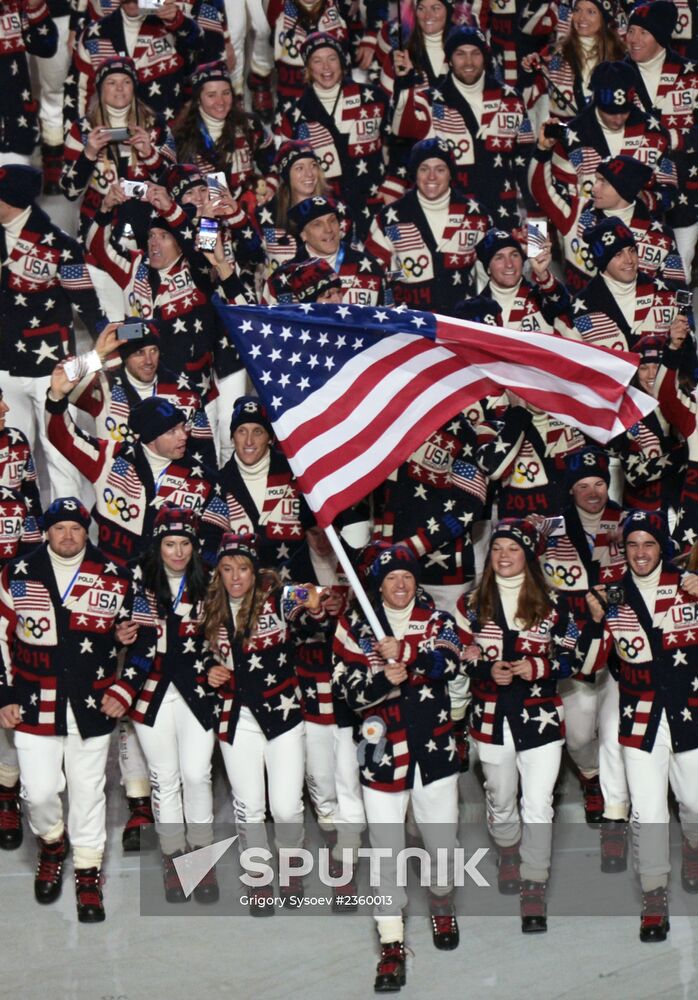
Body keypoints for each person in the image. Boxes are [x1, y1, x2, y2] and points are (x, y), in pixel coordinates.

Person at [0, 497, 156, 922]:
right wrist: (5, 695)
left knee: (89, 794)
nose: (67, 536)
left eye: (75, 528)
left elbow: (146, 639)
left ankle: (88, 877)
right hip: (34, 702)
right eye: (58, 528)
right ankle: (52, 842)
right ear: (47, 532)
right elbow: (0, 637)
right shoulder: (17, 573)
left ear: (87, 531)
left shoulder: (118, 575)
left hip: (94, 704)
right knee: (39, 792)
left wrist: (125, 689)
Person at [456, 518, 604, 932]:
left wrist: (537, 666)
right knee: (501, 798)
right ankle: (507, 848)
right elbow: (456, 658)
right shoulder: (469, 604)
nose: (504, 555)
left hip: (539, 717)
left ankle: (533, 884)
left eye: (514, 549)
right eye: (498, 548)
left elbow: (576, 658)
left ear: (528, 556)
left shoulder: (553, 604)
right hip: (491, 718)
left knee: (538, 805)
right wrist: (488, 671)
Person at [333, 543, 464, 992]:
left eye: (407, 576)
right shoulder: (355, 628)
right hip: (382, 756)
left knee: (441, 843)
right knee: (385, 852)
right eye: (391, 577)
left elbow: (448, 662)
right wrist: (379, 679)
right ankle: (391, 941)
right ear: (380, 584)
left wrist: (407, 654)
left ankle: (441, 901)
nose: (401, 584)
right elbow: (346, 692)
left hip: (433, 753)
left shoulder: (437, 621)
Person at [586, 510, 698, 942]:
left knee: (692, 803)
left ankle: (692, 845)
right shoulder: (612, 597)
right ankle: (654, 896)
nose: (640, 553)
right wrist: (594, 623)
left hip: (689, 715)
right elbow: (585, 666)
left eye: (648, 543)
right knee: (647, 811)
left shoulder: (687, 587)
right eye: (631, 545)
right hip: (640, 720)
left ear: (661, 547)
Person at [203, 531, 326, 913]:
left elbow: (308, 606)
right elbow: (190, 653)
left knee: (287, 807)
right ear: (218, 573)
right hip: (236, 718)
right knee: (249, 806)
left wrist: (315, 603)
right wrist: (208, 669)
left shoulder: (276, 599)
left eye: (243, 568)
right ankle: (257, 876)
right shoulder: (207, 609)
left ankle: (291, 868)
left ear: (256, 571)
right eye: (227, 569)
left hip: (283, 714)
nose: (236, 576)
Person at [538, 448, 630, 868]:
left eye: (599, 484)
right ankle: (589, 777)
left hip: (624, 650)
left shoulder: (629, 524)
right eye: (584, 486)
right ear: (570, 490)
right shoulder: (549, 529)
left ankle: (613, 810)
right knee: (577, 736)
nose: (593, 492)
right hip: (575, 648)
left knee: (613, 738)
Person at [123, 506, 217, 903]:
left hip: (198, 692)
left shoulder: (211, 582)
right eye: (169, 544)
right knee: (164, 779)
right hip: (151, 691)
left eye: (184, 544)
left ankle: (201, 856)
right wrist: (118, 632)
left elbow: (227, 636)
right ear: (157, 546)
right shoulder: (135, 580)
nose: (177, 552)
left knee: (197, 775)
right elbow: (114, 622)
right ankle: (173, 855)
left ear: (194, 548)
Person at [0, 164, 105, 499]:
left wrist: (106, 349)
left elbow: (87, 304)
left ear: (11, 200)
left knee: (61, 457)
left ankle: (68, 527)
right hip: (3, 372)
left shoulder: (59, 246)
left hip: (54, 372)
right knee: (8, 460)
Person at [530, 144, 686, 291]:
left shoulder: (661, 236)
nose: (594, 188)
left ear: (624, 190)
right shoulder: (577, 210)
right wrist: (542, 149)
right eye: (596, 179)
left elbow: (678, 289)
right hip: (578, 315)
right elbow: (539, 190)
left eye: (603, 182)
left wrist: (683, 315)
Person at [425, 26, 535, 232]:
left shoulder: (511, 98)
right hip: (451, 221)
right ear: (449, 59)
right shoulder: (431, 103)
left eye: (475, 54)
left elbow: (530, 169)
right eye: (460, 54)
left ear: (485, 57)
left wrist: (538, 249)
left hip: (504, 217)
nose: (468, 62)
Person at [365, 137, 492, 311]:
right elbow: (374, 276)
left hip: (462, 323)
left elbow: (490, 273)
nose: (431, 176)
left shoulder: (476, 215)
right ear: (414, 173)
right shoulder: (390, 218)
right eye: (424, 169)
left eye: (440, 169)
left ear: (450, 173)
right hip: (409, 326)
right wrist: (404, 276)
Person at [60, 55, 176, 242]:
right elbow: (70, 192)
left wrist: (150, 155)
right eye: (112, 82)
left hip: (149, 227)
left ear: (134, 87)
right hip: (98, 225)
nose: (120, 88)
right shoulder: (82, 129)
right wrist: (88, 154)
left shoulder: (156, 125)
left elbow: (172, 186)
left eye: (126, 82)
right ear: (100, 89)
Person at [625, 0, 698, 279]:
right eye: (631, 30)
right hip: (634, 191)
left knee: (681, 271)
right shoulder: (616, 76)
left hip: (685, 190)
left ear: (662, 36)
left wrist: (668, 138)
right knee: (636, 271)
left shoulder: (691, 75)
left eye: (643, 32)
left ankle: (680, 321)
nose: (634, 39)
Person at [0, 386, 43, 851]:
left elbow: (30, 501)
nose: (6, 408)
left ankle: (8, 790)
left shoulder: (14, 442)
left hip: (12, 587)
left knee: (12, 682)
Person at [200, 396, 305, 569]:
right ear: (232, 437)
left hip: (294, 588)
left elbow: (318, 532)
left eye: (257, 431)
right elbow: (210, 548)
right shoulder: (219, 483)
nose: (249, 441)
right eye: (242, 431)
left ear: (270, 437)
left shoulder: (296, 474)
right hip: (240, 589)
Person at [65, 0, 205, 129]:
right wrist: (80, 145)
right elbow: (78, 94)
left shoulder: (172, 21)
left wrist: (178, 21)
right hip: (110, 142)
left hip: (167, 138)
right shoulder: (94, 35)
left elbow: (199, 44)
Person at [174, 60, 274, 204]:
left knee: (272, 224)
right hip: (208, 218)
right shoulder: (182, 136)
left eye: (226, 93)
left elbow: (273, 163)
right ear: (198, 100)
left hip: (248, 214)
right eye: (211, 95)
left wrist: (269, 188)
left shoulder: (249, 125)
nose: (220, 101)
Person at [262, 195, 385, 306]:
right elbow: (267, 325)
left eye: (332, 220)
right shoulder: (282, 279)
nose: (328, 229)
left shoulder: (371, 268)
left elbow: (390, 321)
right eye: (317, 224)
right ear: (303, 235)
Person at [521, 0, 625, 130]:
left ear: (604, 18)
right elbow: (526, 100)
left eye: (591, 12)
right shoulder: (554, 54)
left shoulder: (621, 58)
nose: (582, 17)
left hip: (608, 143)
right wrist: (528, 72)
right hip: (562, 145)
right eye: (577, 10)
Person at [475, 227, 571, 335]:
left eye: (514, 255)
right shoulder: (473, 310)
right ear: (488, 268)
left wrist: (542, 274)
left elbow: (565, 305)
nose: (509, 264)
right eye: (499, 258)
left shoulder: (539, 298)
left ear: (522, 261)